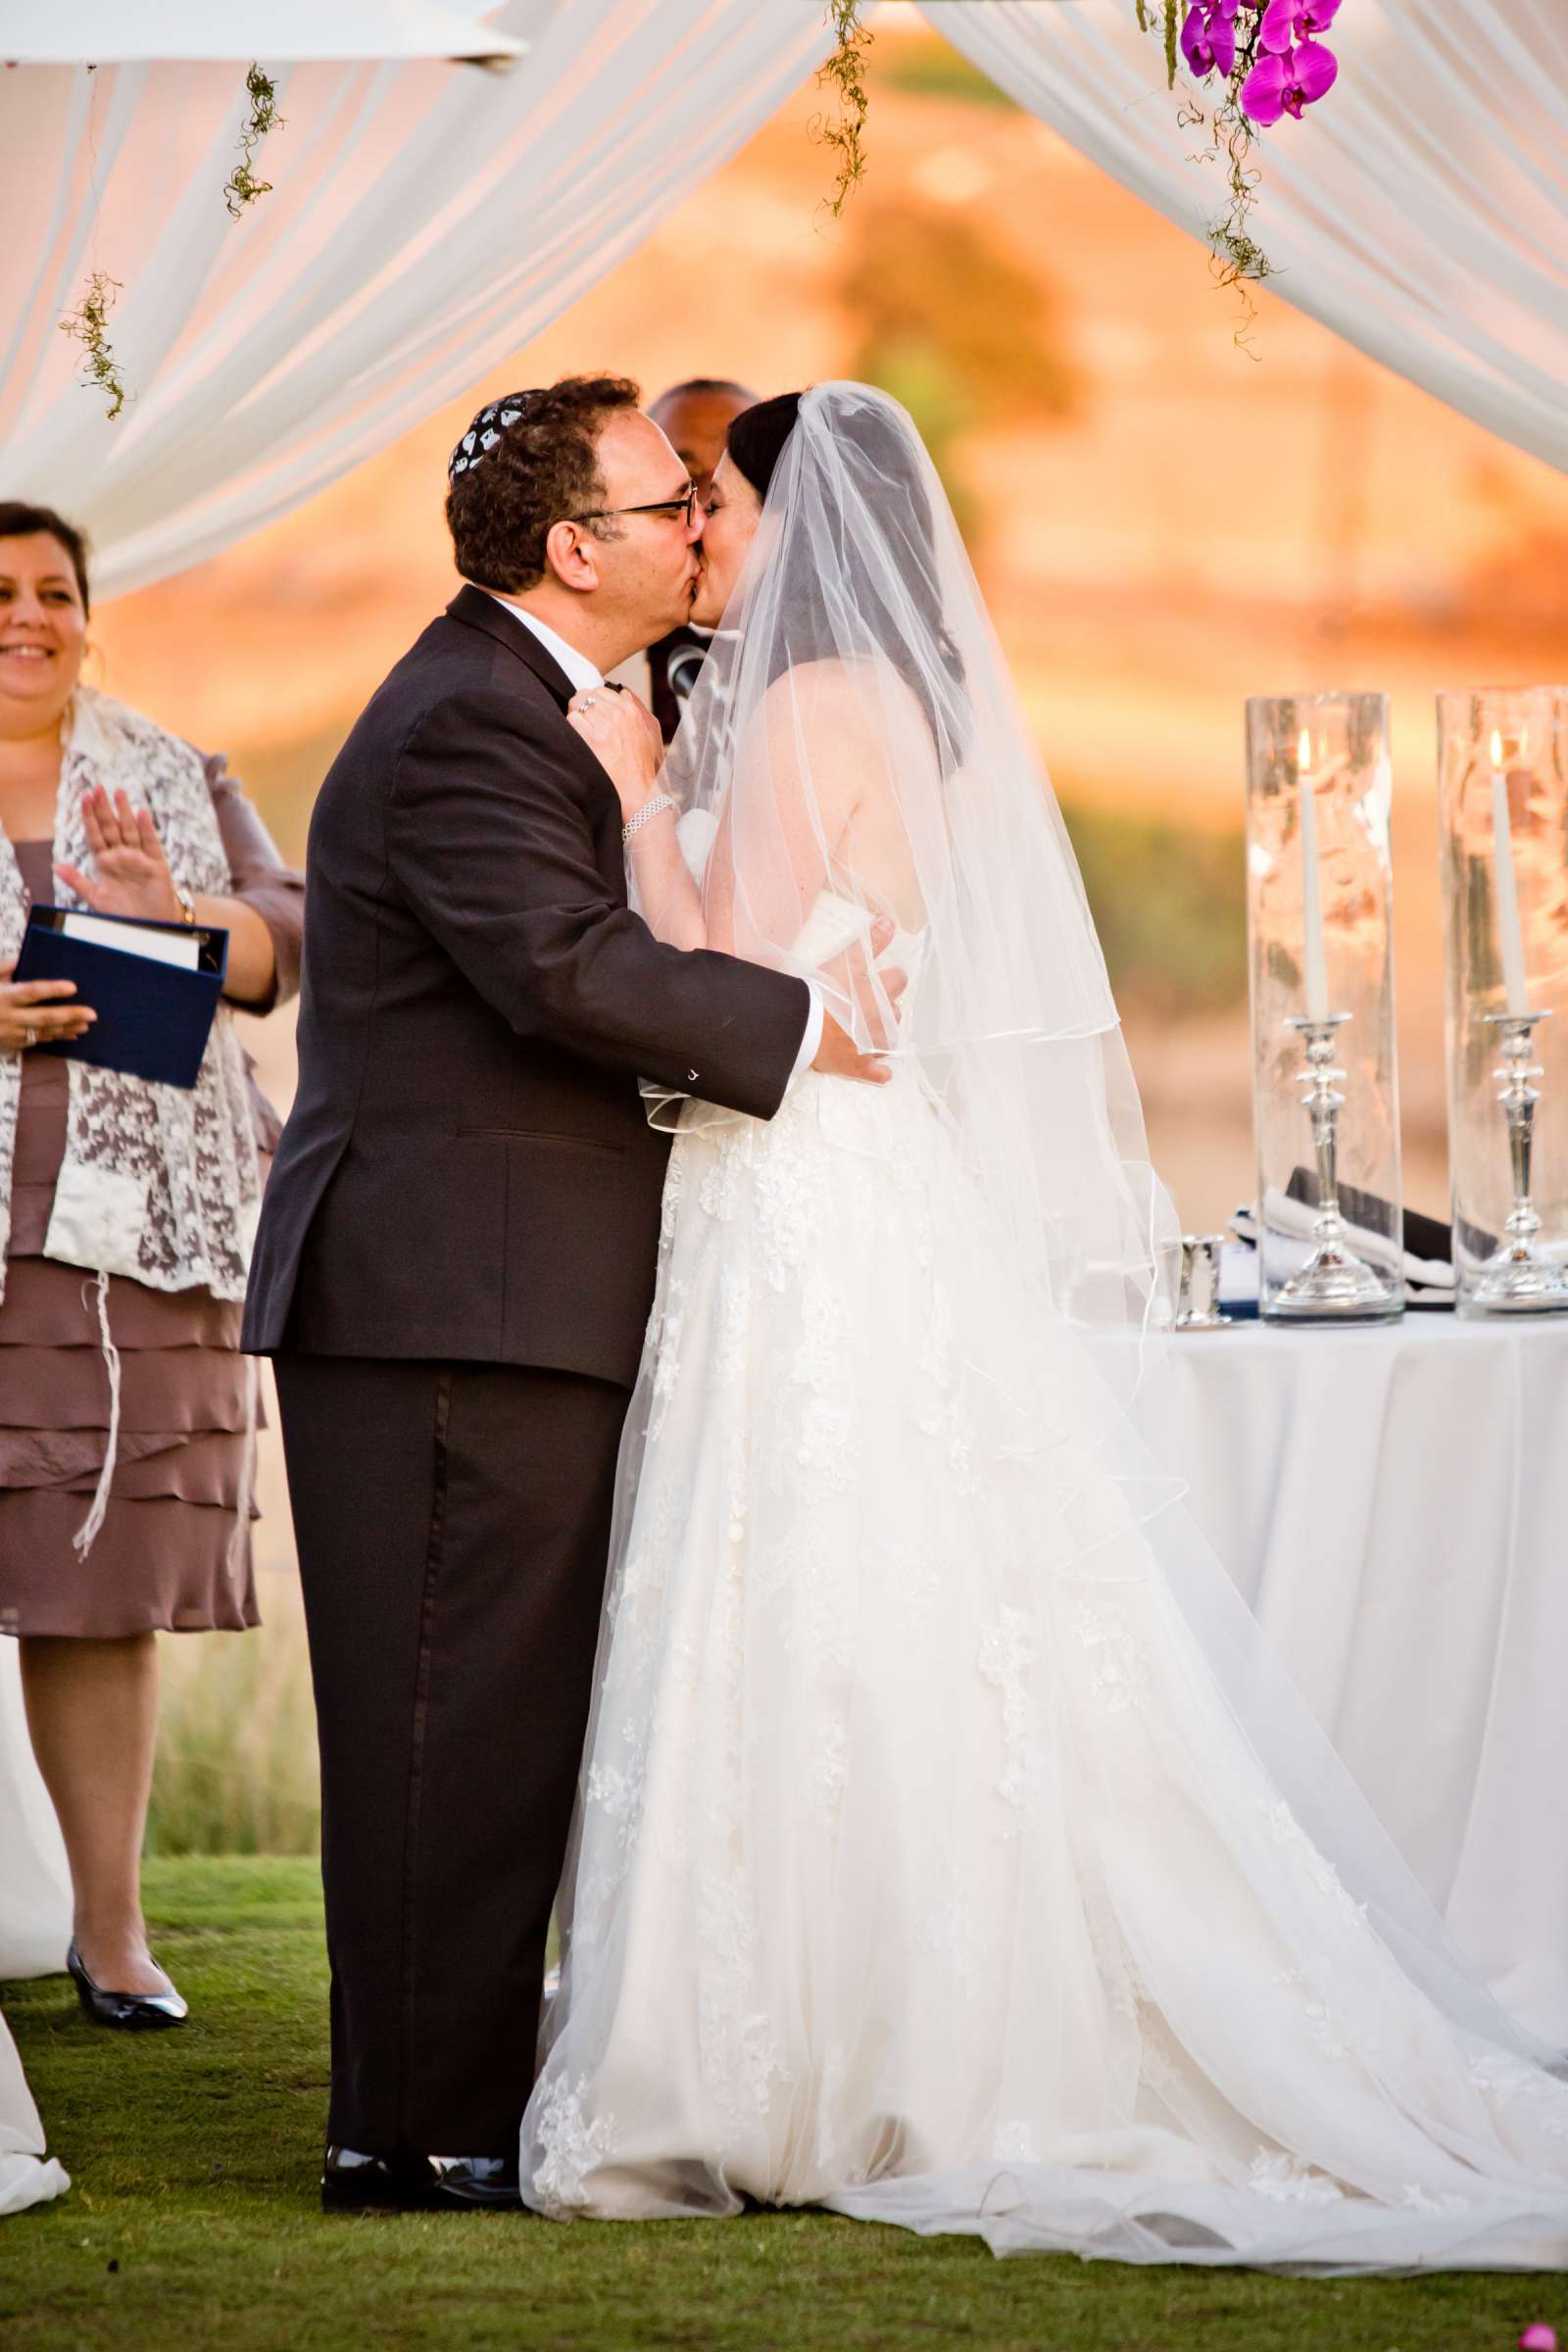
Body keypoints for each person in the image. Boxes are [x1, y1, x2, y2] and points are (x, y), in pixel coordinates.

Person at [521, 385, 1568, 2270]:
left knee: (798, 1577)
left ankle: (795, 2047)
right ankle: (917, 2012)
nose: (699, 533)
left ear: (787, 528)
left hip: (794, 1186)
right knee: (917, 1587)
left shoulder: (784, 708)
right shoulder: (903, 711)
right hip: (879, 1181)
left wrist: (620, 804)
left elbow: (720, 970)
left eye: (720, 507)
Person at [242, 377, 898, 2214]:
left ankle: (439, 2103)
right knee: (448, 1712)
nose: (699, 518)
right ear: (573, 547)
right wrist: (815, 1031)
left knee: (495, 1712)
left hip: (491, 1284)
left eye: (709, 495)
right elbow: (558, 966)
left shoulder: (539, 697)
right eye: (663, 495)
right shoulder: (468, 722)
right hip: (448, 1290)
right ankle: (421, 2130)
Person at [0, 503, 302, 2034]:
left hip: (123, 1248)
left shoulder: (173, 771)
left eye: (56, 591)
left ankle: (111, 1933)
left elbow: (281, 946)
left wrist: (171, 916)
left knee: (89, 1584)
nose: (29, 615)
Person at [615, 379, 757, 742]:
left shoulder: (828, 667)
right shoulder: (599, 657)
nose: (704, 511)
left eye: (735, 480)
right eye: (685, 482)